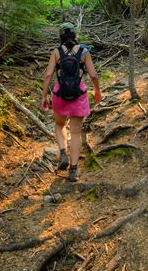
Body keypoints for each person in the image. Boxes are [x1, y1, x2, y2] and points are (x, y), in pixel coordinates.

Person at [41, 22, 102, 182]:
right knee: (75, 133)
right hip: (79, 95)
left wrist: (44, 96)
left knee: (59, 125)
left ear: (60, 36)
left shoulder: (56, 52)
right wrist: (97, 90)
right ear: (75, 35)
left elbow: (48, 75)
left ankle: (62, 152)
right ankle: (73, 171)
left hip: (60, 94)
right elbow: (94, 75)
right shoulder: (84, 52)